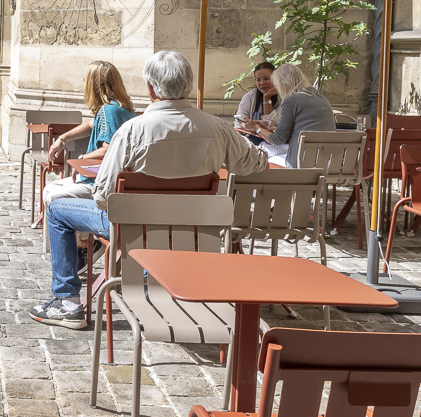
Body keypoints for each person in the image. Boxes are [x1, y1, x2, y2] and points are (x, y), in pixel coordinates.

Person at [30, 50, 268, 329]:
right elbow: (257, 163)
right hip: (194, 229)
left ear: (151, 88)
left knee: (57, 209)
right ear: (188, 84)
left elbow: (104, 197)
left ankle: (68, 303)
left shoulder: (132, 131)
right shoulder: (216, 127)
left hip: (137, 228)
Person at [39, 61, 137, 214]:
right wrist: (62, 139)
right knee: (49, 189)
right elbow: (92, 125)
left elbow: (108, 150)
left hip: (99, 182)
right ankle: (82, 238)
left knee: (52, 196)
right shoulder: (122, 108)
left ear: (95, 85)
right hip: (111, 180)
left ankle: (80, 237)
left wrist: (82, 158)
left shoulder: (108, 111)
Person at [247, 62, 337, 167]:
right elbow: (304, 127)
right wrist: (274, 128)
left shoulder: (291, 100)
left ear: (282, 83)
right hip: (325, 162)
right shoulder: (319, 96)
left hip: (301, 163)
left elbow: (277, 139)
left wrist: (257, 128)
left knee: (266, 158)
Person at [233, 60, 279, 143]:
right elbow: (239, 125)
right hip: (251, 142)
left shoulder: (284, 98)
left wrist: (266, 98)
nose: (262, 83)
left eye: (266, 78)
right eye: (258, 80)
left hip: (275, 144)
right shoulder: (250, 97)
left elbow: (273, 124)